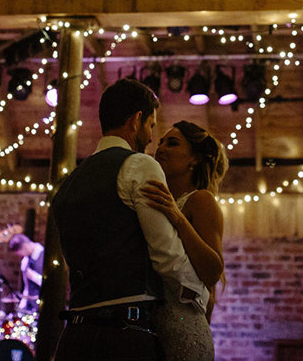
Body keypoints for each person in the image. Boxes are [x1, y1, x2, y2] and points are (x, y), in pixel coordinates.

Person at [50, 78, 208, 361]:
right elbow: (166, 257)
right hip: (123, 336)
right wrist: (200, 293)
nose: (150, 139)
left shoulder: (69, 182)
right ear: (136, 120)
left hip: (73, 337)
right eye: (150, 126)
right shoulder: (139, 165)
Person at [140, 121, 228, 360]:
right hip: (151, 327)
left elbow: (211, 271)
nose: (161, 148)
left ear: (195, 159)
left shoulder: (201, 200)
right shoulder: (156, 201)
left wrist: (177, 218)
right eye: (160, 142)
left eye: (173, 143)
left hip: (183, 330)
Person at [7, 234, 44, 314]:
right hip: (30, 308)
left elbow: (52, 285)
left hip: (43, 307)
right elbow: (27, 288)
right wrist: (22, 306)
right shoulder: (26, 260)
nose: (20, 255)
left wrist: (35, 277)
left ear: (24, 246)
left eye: (19, 253)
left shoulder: (45, 256)